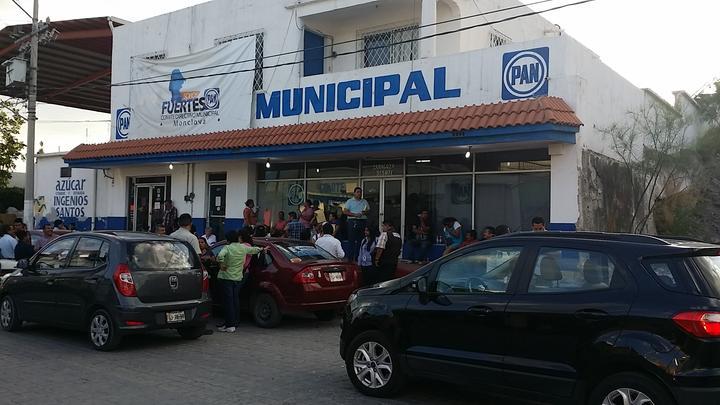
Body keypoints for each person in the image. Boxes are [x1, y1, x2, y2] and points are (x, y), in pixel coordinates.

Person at [216, 229, 267, 333]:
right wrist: (262, 249)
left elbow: (220, 256)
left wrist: (221, 264)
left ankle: (230, 324)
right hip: (238, 277)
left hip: (226, 278)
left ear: (228, 239)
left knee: (228, 302)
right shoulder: (243, 247)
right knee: (235, 300)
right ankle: (233, 322)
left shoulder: (227, 248)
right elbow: (254, 250)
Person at [343, 187, 370, 262]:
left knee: (360, 241)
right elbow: (345, 212)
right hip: (353, 221)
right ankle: (350, 258)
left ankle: (358, 257)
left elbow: (368, 211)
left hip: (362, 221)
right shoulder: (350, 201)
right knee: (351, 241)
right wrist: (355, 214)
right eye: (357, 192)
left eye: (360, 192)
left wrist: (364, 212)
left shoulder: (364, 201)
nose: (359, 193)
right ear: (354, 193)